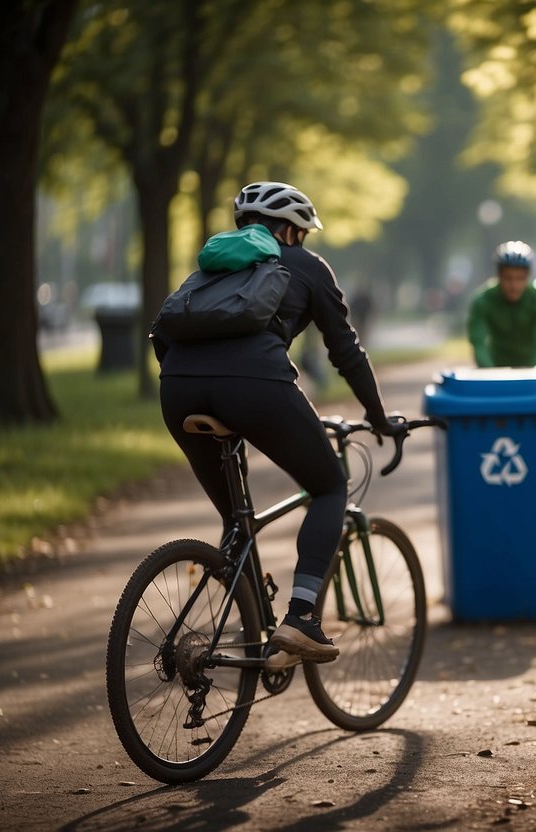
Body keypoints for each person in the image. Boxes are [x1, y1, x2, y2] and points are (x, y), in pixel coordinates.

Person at [151, 181, 399, 667]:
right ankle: (301, 617)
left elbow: (163, 334)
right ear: (289, 229)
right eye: (300, 233)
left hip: (177, 390)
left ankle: (235, 616)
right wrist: (378, 418)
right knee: (329, 486)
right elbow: (344, 350)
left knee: (236, 519)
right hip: (254, 387)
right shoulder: (305, 265)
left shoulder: (207, 271)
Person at [467, 241, 536, 368]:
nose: (514, 285)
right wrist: (489, 372)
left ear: (528, 276)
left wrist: (529, 374)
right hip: (499, 365)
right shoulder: (483, 300)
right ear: (499, 276)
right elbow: (479, 342)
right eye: (508, 278)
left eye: (520, 278)